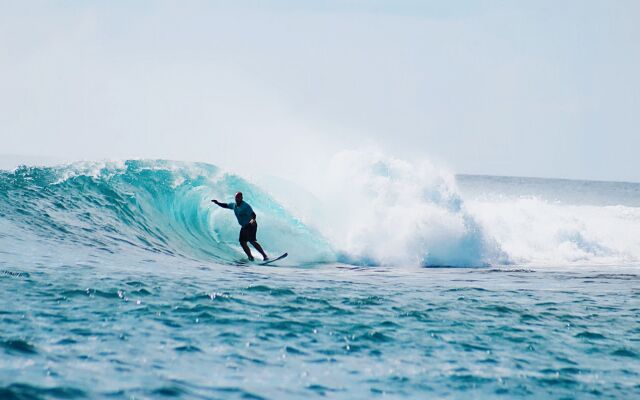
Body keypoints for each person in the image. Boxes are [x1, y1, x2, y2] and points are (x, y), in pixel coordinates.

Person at [212, 192, 269, 261]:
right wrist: (218, 203)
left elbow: (253, 214)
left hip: (251, 225)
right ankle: (250, 257)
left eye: (239, 198)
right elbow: (226, 205)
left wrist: (252, 220)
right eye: (236, 197)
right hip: (244, 226)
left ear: (242, 198)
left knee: (252, 241)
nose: (237, 199)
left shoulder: (245, 206)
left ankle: (265, 256)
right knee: (242, 242)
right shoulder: (234, 205)